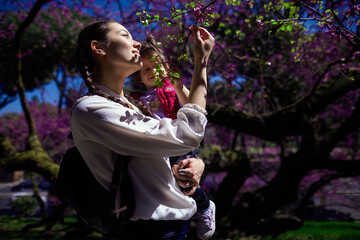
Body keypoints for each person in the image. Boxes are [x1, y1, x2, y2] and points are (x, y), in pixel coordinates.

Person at [72, 20, 215, 239]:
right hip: (147, 230)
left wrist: (196, 163)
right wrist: (201, 62)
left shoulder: (130, 106)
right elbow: (188, 134)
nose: (136, 43)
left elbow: (167, 150)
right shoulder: (92, 108)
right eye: (125, 35)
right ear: (98, 48)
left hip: (174, 225)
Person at [132, 34, 215, 240]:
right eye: (146, 69)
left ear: (166, 67)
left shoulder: (170, 87)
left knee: (184, 180)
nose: (152, 72)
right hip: (160, 147)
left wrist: (178, 86)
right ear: (139, 77)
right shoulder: (140, 98)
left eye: (156, 66)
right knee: (170, 183)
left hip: (180, 143)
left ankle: (204, 207)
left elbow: (192, 106)